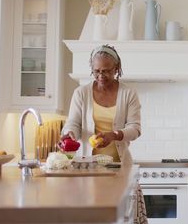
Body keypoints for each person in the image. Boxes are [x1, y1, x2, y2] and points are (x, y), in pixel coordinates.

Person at [60, 44, 147, 224]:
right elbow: (73, 123)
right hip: (88, 170)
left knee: (122, 218)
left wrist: (114, 135)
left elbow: (135, 128)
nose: (101, 76)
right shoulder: (81, 93)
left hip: (120, 169)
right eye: (96, 71)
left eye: (106, 71)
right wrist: (69, 135)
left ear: (117, 69)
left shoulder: (128, 93)